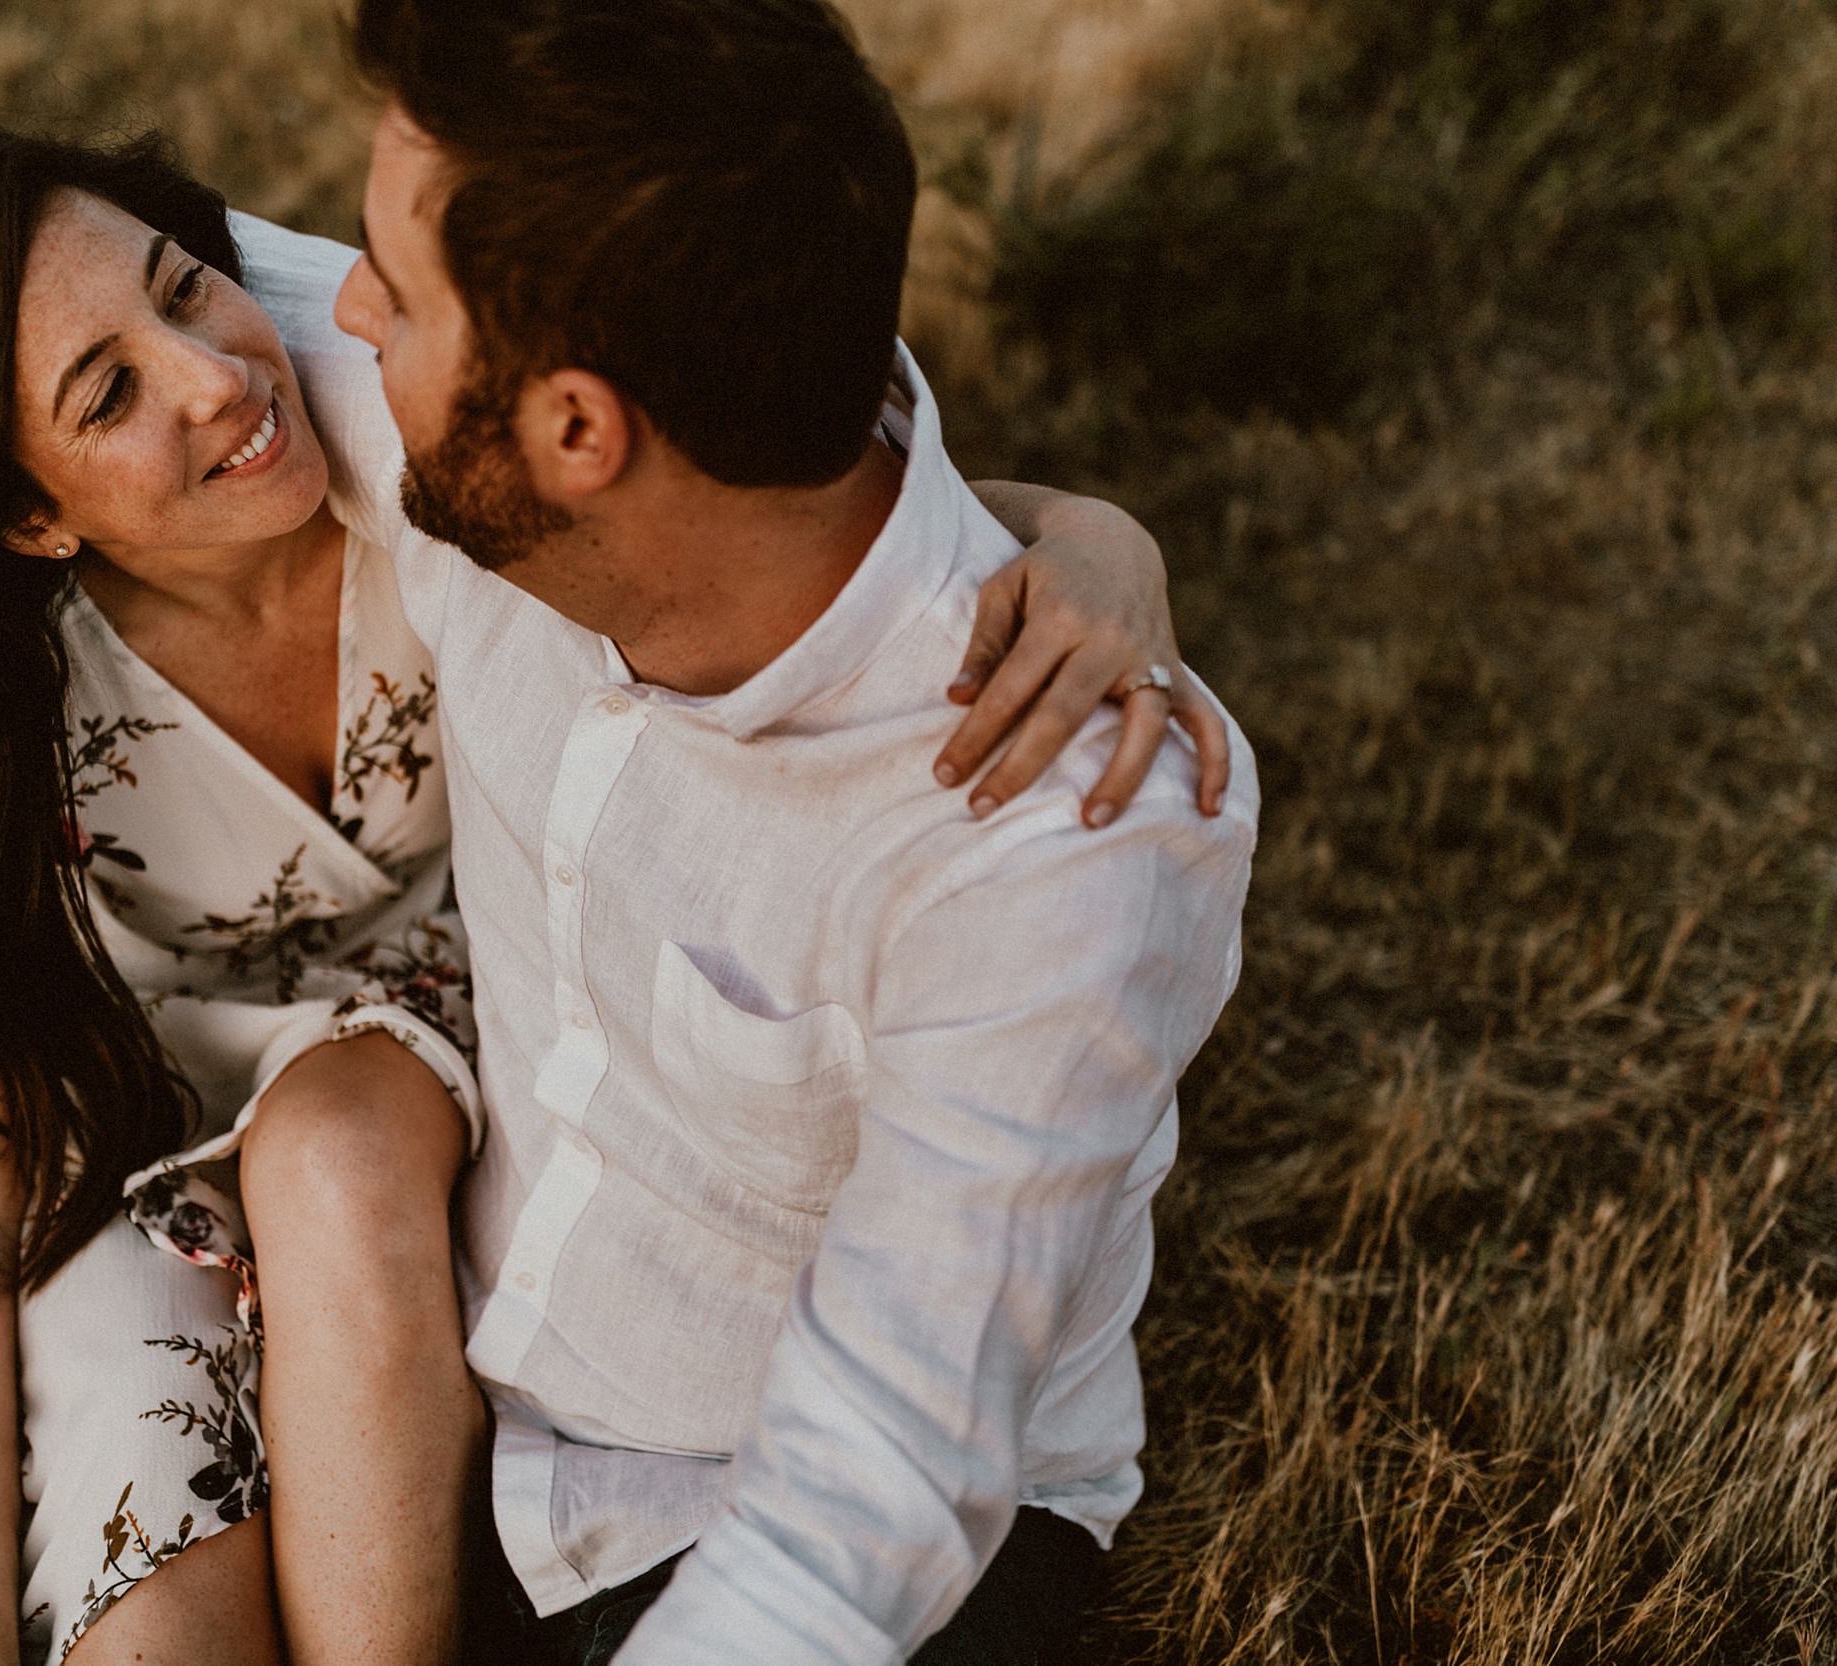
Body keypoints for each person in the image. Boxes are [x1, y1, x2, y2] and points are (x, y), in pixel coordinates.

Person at [0, 131, 1225, 1666]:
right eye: (111, 393)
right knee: (139, 1532)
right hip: (129, 1116)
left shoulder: (401, 453)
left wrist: (1101, 543)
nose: (218, 376)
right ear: (27, 511)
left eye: (186, 289)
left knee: (344, 1143)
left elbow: (781, 528)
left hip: (458, 1049)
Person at [319, 1, 1263, 1661]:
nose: (343, 312)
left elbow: (867, 1492)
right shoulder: (505, 455)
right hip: (435, 1412)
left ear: (578, 432)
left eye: (392, 292)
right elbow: (63, 286)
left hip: (793, 1531)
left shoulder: (1054, 833)